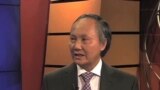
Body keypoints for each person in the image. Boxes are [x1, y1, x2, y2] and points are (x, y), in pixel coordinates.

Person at [43, 14, 139, 90]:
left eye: (85, 40)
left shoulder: (127, 83)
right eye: (73, 39)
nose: (76, 46)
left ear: (103, 44)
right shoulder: (52, 81)